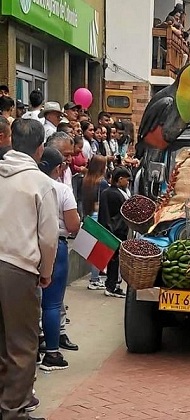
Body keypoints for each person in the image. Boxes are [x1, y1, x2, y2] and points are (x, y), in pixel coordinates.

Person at [0, 118, 58, 420]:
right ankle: (14, 412)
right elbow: (48, 238)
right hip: (18, 267)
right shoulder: (41, 184)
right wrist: (45, 271)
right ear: (40, 149)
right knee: (22, 346)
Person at [38, 147, 80, 371]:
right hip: (56, 245)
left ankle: (32, 350)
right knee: (52, 303)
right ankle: (52, 353)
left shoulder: (24, 183)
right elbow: (73, 225)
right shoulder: (61, 190)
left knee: (30, 302)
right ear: (58, 168)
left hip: (25, 245)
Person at [98, 166, 131, 298]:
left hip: (113, 230)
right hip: (116, 232)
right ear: (120, 179)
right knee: (114, 261)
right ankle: (112, 286)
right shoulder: (113, 194)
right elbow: (111, 215)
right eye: (127, 180)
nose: (128, 183)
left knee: (114, 260)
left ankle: (113, 284)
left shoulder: (111, 192)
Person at [82, 155, 109, 290]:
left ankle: (95, 277)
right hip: (99, 216)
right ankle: (94, 279)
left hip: (89, 215)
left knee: (93, 250)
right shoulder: (102, 182)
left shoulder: (86, 180)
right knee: (99, 251)